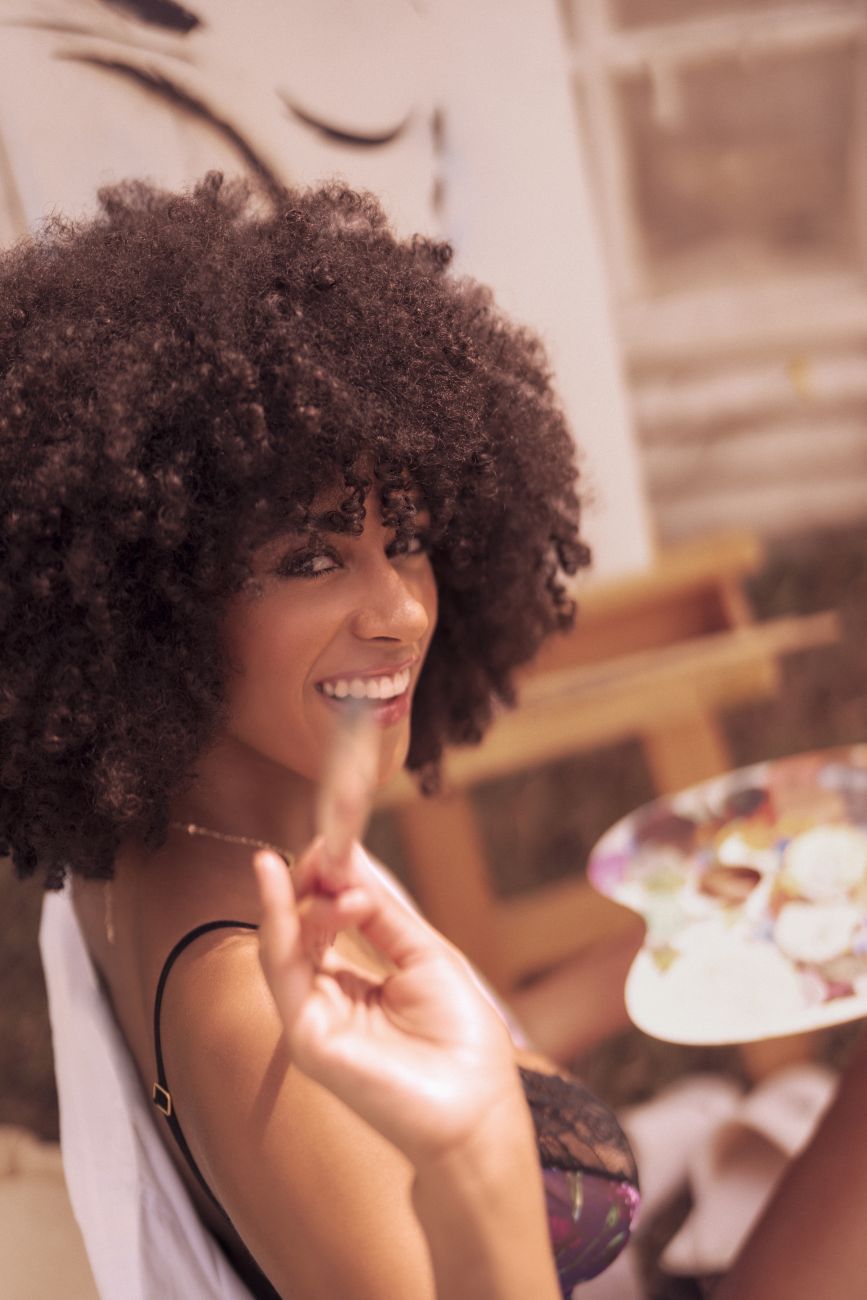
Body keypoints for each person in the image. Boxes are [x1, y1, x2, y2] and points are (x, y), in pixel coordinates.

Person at [4, 174, 866, 1300]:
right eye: (312, 558)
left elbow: (435, 1055)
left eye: (406, 540)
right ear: (146, 593)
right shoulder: (248, 1003)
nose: (400, 612)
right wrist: (473, 1143)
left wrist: (703, 935)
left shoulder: (209, 833)